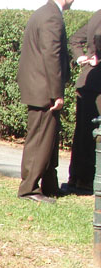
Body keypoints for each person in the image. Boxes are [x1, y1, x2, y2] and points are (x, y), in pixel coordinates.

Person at [17, 0, 74, 204]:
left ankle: (49, 185)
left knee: (48, 139)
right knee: (40, 138)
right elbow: (52, 56)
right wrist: (56, 92)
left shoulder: (44, 12)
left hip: (39, 87)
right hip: (44, 90)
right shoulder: (52, 16)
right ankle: (29, 188)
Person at [63, 10, 101, 195]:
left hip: (87, 81)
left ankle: (77, 178)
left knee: (83, 132)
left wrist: (81, 57)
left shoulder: (97, 15)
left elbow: (75, 39)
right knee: (92, 134)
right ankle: (85, 180)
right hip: (97, 83)